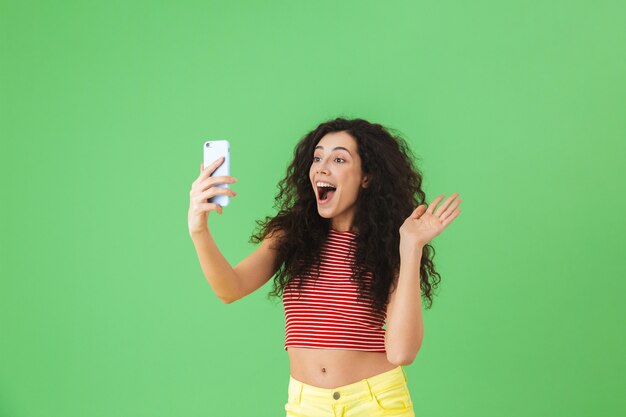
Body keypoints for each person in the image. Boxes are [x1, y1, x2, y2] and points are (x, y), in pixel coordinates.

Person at [188, 117, 462, 416]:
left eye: (339, 158)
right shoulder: (291, 236)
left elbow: (401, 352)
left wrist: (411, 248)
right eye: (317, 157)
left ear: (366, 177)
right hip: (306, 406)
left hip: (375, 403)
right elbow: (230, 288)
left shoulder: (391, 246)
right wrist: (198, 229)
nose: (321, 166)